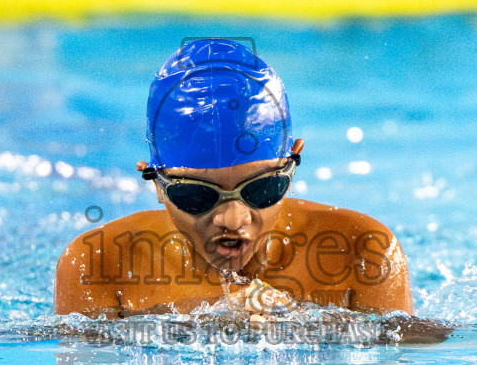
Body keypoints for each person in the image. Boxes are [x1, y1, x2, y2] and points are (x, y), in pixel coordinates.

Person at [54, 38, 418, 320]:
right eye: (196, 196)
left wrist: (302, 324)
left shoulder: (363, 253)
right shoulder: (96, 265)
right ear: (156, 184)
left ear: (292, 164)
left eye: (261, 189)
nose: (232, 220)